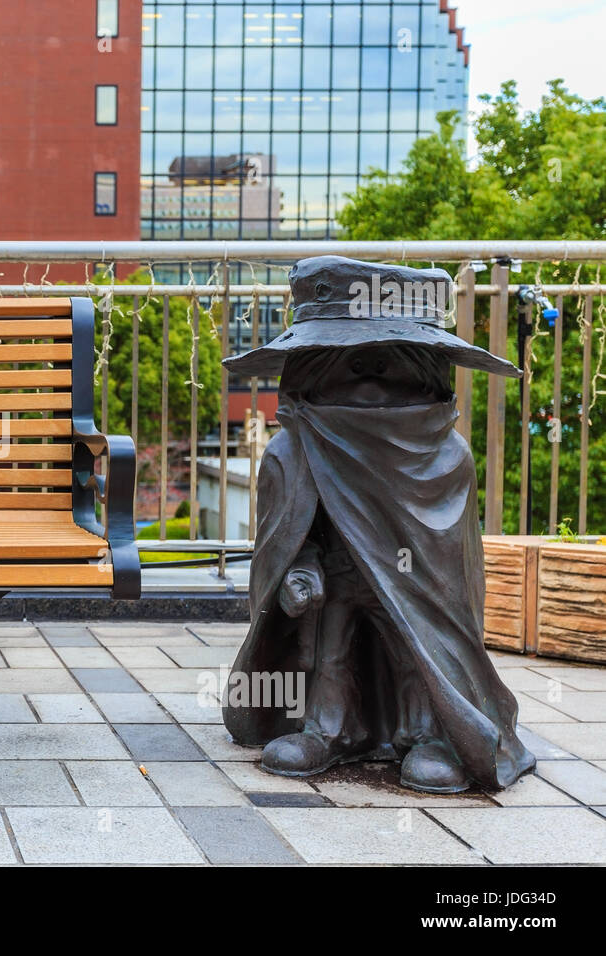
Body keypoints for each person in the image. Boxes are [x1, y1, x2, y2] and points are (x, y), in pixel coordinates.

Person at [221, 256, 535, 793]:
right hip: (338, 581)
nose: (368, 372)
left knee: (418, 646)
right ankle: (326, 729)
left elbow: (451, 587)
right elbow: (290, 536)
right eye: (346, 358)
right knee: (330, 651)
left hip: (406, 586)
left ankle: (430, 733)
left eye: (386, 358)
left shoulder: (446, 457)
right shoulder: (292, 451)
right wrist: (301, 569)